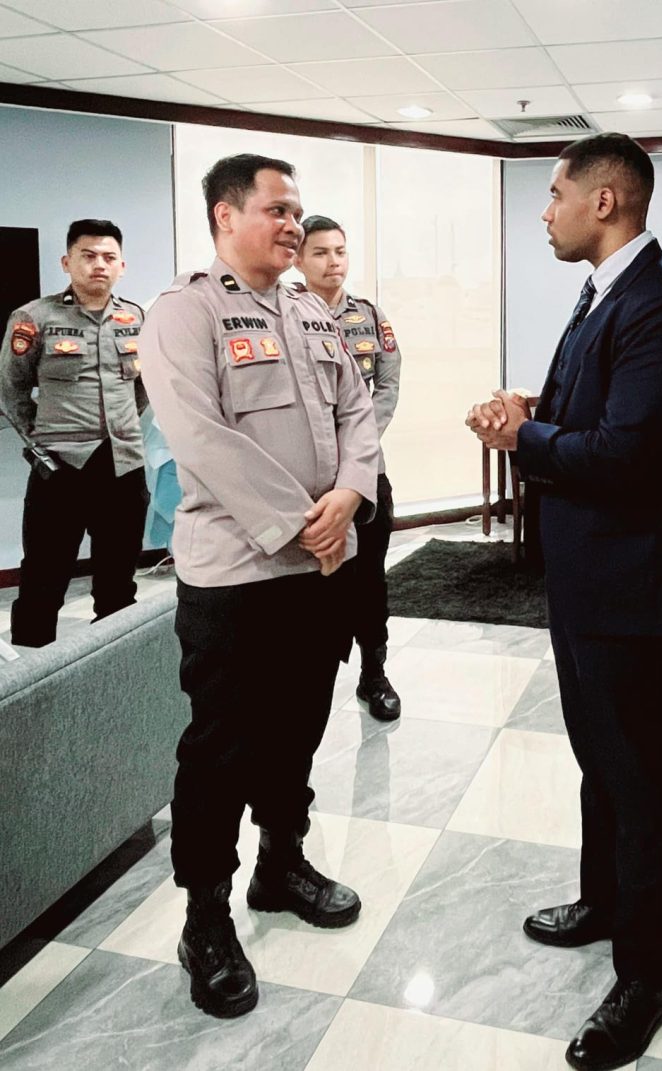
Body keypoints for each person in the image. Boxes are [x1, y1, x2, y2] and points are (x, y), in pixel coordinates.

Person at [466, 132, 662, 1071]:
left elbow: (624, 454)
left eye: (557, 192)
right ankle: (606, 901)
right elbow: (591, 407)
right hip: (583, 579)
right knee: (599, 759)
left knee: (640, 775)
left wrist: (526, 437)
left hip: (628, 582)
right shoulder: (602, 290)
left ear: (604, 201)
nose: (546, 209)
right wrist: (530, 407)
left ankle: (650, 975)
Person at [138, 154, 381, 1019]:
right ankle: (206, 915)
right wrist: (304, 521)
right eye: (277, 210)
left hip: (318, 571)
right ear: (224, 215)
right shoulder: (183, 311)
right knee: (221, 748)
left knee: (299, 728)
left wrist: (349, 495)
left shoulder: (313, 312)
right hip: (237, 574)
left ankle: (282, 863)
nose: (293, 224)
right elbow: (200, 438)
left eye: (298, 211)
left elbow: (359, 409)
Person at [0, 220, 149, 647]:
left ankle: (112, 683)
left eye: (108, 257)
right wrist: (40, 442)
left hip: (123, 468)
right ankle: (29, 687)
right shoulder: (35, 317)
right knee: (43, 584)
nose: (99, 265)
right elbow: (10, 389)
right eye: (88, 256)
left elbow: (145, 387)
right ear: (67, 262)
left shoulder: (136, 317)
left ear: (122, 265)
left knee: (119, 586)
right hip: (59, 470)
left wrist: (121, 430)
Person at [294, 215, 402, 721]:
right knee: (312, 584)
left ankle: (373, 673)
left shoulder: (369, 315)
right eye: (320, 252)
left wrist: (354, 450)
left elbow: (387, 383)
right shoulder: (284, 315)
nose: (333, 261)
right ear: (298, 259)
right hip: (308, 477)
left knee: (369, 583)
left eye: (340, 251)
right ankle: (306, 678)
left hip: (365, 476)